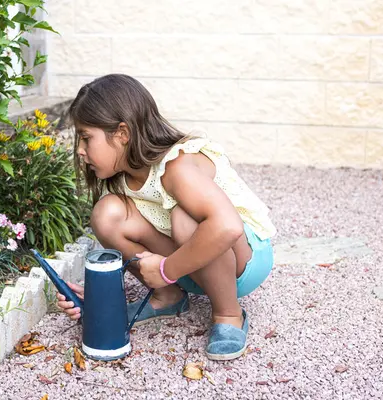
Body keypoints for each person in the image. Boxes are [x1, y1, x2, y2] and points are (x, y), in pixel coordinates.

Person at [56, 74, 276, 361]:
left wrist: (165, 270)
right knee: (107, 213)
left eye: (86, 137)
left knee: (186, 219)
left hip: (244, 263)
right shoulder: (123, 177)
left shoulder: (178, 165)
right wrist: (100, 294)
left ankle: (228, 314)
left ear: (122, 134)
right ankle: (168, 297)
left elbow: (227, 227)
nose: (79, 150)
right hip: (188, 264)